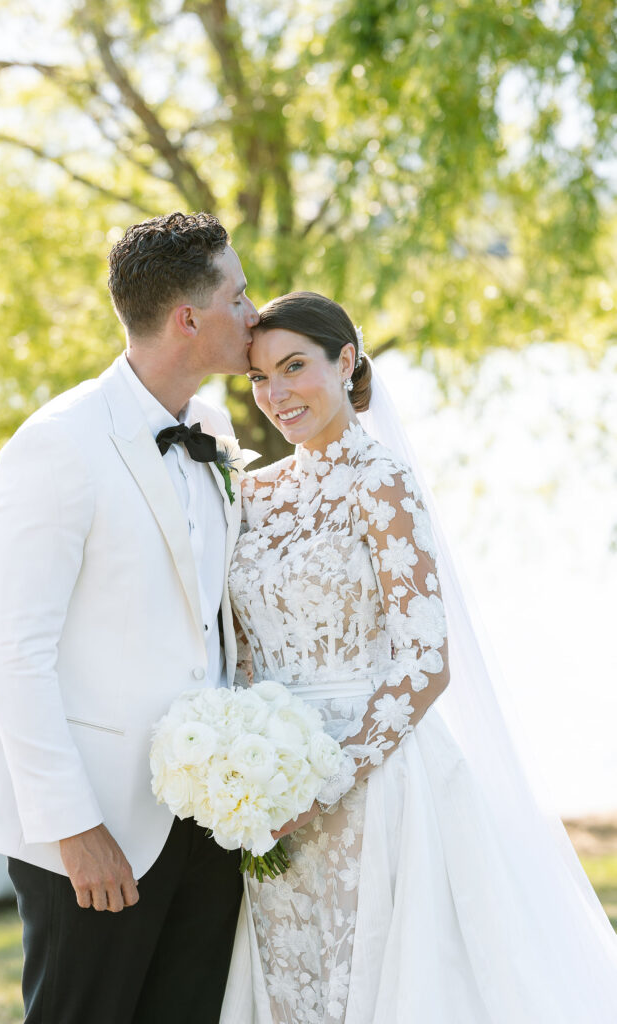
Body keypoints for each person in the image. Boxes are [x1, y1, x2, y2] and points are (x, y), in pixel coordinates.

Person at [223, 291, 617, 1023]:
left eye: (294, 367)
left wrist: (328, 780)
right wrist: (244, 768)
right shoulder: (252, 494)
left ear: (346, 362)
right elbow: (242, 647)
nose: (275, 395)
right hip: (270, 793)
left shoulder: (381, 481)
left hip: (373, 788)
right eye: (257, 377)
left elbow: (425, 661)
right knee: (295, 983)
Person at [0, 211, 259, 1024]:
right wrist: (74, 826)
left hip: (204, 825)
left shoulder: (213, 429)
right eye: (240, 296)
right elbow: (10, 651)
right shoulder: (58, 443)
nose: (254, 314)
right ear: (187, 319)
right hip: (94, 828)